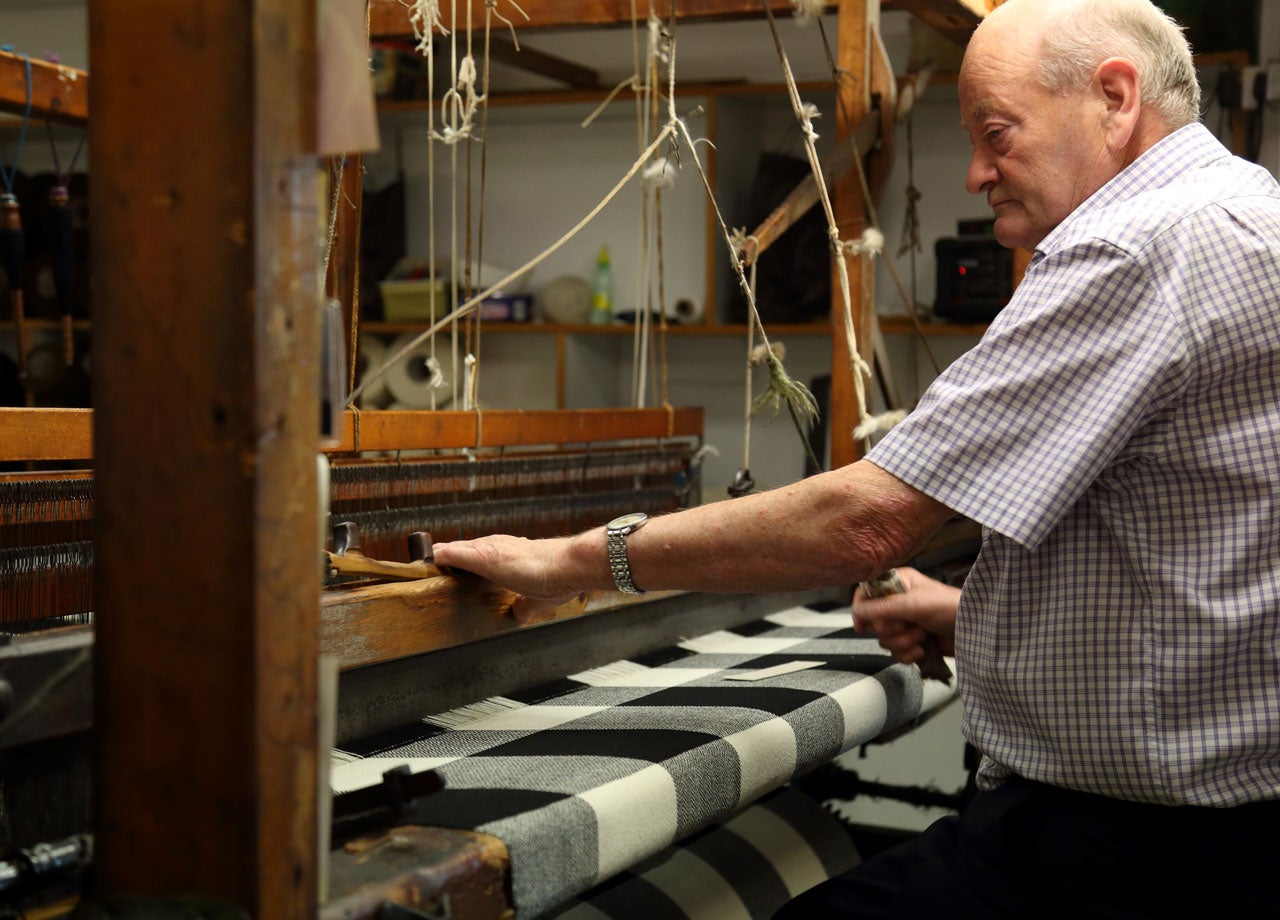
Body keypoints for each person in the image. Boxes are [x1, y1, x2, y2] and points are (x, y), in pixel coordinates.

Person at [435, 0, 1280, 914]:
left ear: (1116, 97)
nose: (976, 173)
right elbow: (1214, 543)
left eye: (997, 134)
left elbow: (867, 520)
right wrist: (977, 616)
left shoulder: (1133, 247)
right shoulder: (1250, 211)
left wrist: (568, 564)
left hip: (1136, 850)